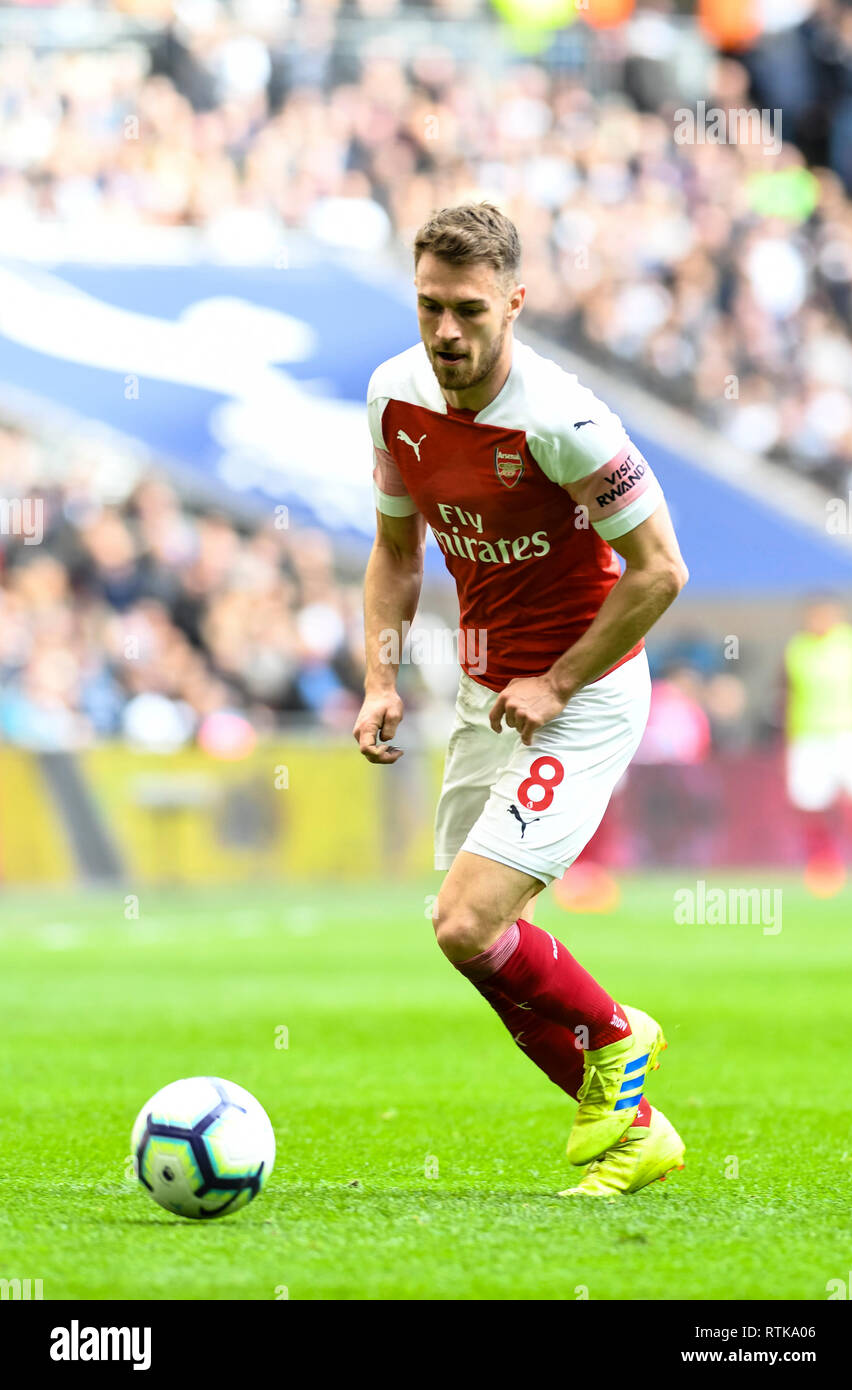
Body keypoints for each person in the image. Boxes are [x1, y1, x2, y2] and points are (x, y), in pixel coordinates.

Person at [353, 203, 689, 1198]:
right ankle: (635, 1135)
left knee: (463, 921)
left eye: (465, 311)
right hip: (486, 696)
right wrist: (378, 675)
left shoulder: (563, 422)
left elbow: (660, 571)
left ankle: (617, 1031)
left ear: (513, 302)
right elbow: (394, 549)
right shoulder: (392, 398)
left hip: (578, 696)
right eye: (426, 308)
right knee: (472, 940)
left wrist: (559, 678)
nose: (444, 333)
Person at [784, 595, 852, 895]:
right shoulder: (797, 649)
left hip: (851, 733)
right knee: (811, 804)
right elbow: (789, 693)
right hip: (809, 736)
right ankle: (823, 867)